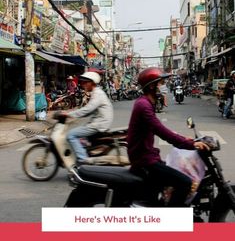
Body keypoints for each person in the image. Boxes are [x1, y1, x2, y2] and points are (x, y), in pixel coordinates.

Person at [127, 67, 209, 207]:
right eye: (161, 83)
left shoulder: (146, 102)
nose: (163, 87)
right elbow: (161, 131)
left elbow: (159, 128)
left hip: (148, 156)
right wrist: (191, 144)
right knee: (185, 182)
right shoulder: (144, 105)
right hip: (144, 160)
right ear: (152, 86)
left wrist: (185, 138)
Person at [65, 72, 113, 164]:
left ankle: (83, 159)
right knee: (80, 136)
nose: (83, 85)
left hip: (99, 124)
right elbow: (89, 111)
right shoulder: (96, 92)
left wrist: (69, 114)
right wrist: (73, 115)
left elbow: (88, 109)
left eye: (85, 83)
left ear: (92, 83)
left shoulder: (97, 94)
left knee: (71, 135)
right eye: (82, 83)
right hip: (98, 122)